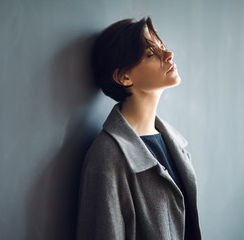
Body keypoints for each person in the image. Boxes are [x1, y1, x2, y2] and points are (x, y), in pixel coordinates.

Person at [76, 16, 201, 240]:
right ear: (124, 77)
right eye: (151, 54)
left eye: (161, 45)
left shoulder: (173, 142)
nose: (168, 54)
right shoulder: (107, 158)